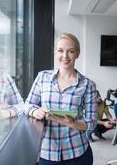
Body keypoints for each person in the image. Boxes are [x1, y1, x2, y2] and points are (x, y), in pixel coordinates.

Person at [25, 33, 97, 165]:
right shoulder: (42, 77)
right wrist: (36, 112)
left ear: (77, 54)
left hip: (77, 153)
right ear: (55, 52)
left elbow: (91, 122)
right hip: (47, 152)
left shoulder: (87, 85)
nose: (65, 56)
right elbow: (28, 105)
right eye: (60, 51)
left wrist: (72, 123)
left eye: (71, 51)